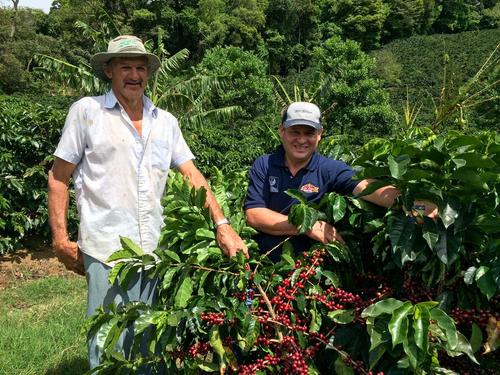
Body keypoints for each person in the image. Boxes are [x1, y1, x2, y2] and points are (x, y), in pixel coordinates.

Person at [47, 35, 247, 370]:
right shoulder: (87, 112)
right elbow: (58, 177)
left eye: (141, 67)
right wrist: (59, 239)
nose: (134, 74)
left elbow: (192, 175)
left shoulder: (165, 122)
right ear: (109, 70)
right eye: (125, 66)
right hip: (105, 248)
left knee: (150, 341)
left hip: (156, 251)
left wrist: (223, 225)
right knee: (108, 338)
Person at [244, 101, 436, 261]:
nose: (302, 140)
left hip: (310, 272)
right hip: (263, 267)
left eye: (309, 133)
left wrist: (418, 207)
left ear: (319, 134)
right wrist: (307, 225)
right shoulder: (265, 164)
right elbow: (254, 215)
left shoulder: (329, 169)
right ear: (282, 131)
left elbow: (369, 189)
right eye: (295, 131)